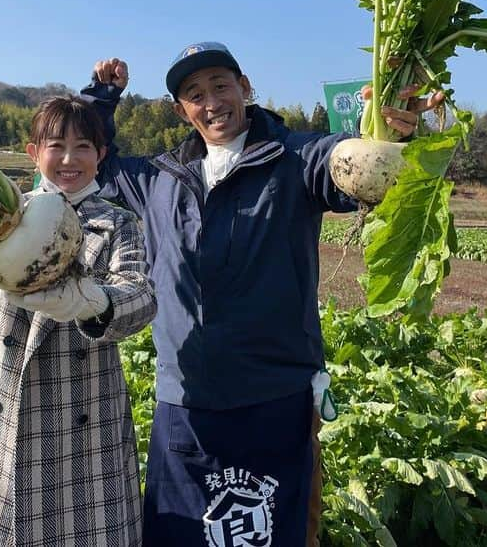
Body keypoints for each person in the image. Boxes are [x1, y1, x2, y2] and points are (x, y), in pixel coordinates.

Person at [82, 43, 440, 546]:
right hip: (185, 403)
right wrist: (103, 98)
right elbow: (98, 168)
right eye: (194, 93)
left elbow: (351, 168)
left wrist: (386, 134)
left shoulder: (295, 158)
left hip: (274, 399)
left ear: (246, 89)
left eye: (221, 86)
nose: (211, 102)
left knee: (276, 534)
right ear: (181, 110)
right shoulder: (161, 178)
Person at [0, 95, 157, 547]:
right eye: (55, 145)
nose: (68, 158)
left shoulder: (118, 222)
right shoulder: (3, 210)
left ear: (100, 155)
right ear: (33, 153)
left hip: (82, 414)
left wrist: (92, 301)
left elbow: (141, 295)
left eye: (83, 147)